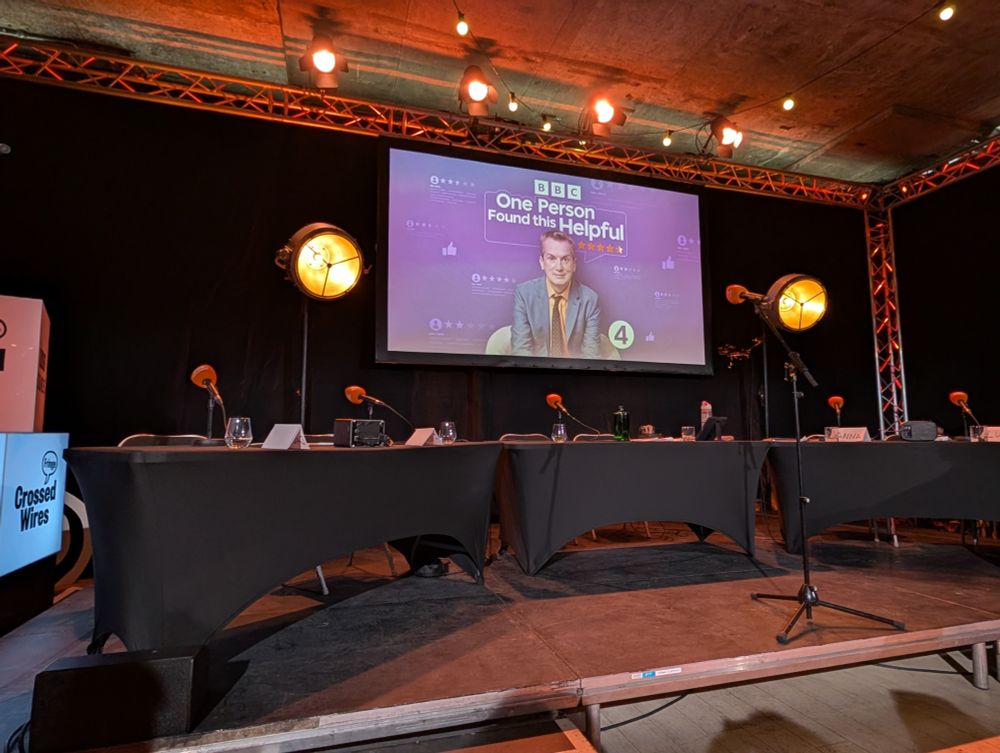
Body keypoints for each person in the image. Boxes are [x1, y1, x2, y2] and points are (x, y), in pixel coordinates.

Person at [511, 230, 601, 358]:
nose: (559, 267)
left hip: (575, 368)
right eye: (551, 258)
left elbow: (591, 354)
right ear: (542, 262)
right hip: (536, 368)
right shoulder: (524, 294)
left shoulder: (590, 299)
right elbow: (521, 350)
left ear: (574, 264)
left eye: (565, 259)